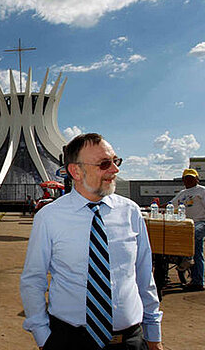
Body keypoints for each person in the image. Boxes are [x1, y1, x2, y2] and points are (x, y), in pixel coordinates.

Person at [20, 133, 163, 350]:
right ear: (76, 171)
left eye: (116, 161)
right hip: (70, 340)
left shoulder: (130, 212)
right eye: (105, 164)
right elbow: (33, 279)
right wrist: (44, 338)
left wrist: (153, 335)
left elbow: (144, 276)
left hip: (129, 341)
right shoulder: (49, 217)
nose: (115, 169)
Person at [171, 168, 205, 291]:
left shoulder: (202, 191)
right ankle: (182, 258)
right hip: (185, 224)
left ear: (197, 179)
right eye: (186, 178)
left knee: (195, 242)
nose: (188, 180)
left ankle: (198, 280)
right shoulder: (182, 193)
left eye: (191, 177)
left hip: (200, 222)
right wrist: (155, 206)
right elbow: (171, 205)